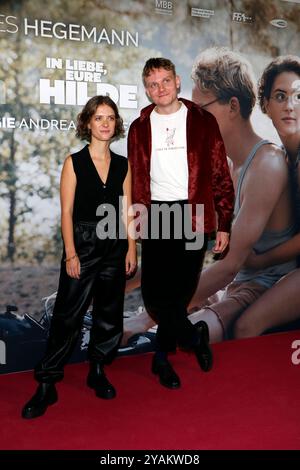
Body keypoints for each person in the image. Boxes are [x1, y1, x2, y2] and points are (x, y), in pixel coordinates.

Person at [124, 48, 297, 346]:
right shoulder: (227, 167)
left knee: (177, 341)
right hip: (236, 285)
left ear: (232, 106)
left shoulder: (267, 164)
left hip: (264, 287)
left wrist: (148, 317)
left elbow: (230, 265)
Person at [22, 95, 136, 419]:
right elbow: (67, 212)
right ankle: (46, 384)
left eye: (110, 118)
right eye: (98, 117)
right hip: (83, 245)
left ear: (116, 125)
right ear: (87, 123)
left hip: (114, 246)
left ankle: (97, 370)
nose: (104, 123)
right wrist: (71, 253)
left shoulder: (123, 165)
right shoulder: (74, 162)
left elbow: (127, 212)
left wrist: (131, 248)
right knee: (66, 317)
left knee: (109, 314)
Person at [127, 57, 234, 389]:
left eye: (165, 81)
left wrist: (224, 223)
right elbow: (133, 180)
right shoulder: (139, 127)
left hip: (194, 215)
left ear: (176, 82)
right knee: (156, 294)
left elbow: (219, 173)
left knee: (180, 291)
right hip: (157, 215)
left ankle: (162, 358)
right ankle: (193, 337)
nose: (160, 89)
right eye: (152, 84)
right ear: (146, 89)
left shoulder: (202, 121)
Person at [231, 55, 300, 337]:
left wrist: (261, 261)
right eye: (280, 96)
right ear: (266, 105)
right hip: (288, 271)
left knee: (247, 327)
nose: (290, 106)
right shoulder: (279, 157)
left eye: (298, 96)